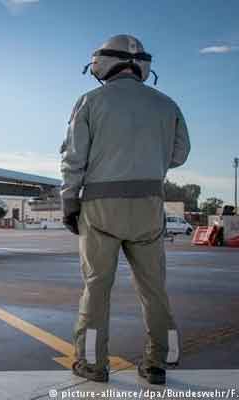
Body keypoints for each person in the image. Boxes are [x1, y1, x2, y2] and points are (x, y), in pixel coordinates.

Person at [60, 34, 190, 385]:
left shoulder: (89, 101)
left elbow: (74, 159)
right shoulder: (168, 105)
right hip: (149, 206)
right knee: (154, 289)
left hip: (101, 208)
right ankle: (160, 362)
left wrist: (70, 200)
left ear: (104, 63)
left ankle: (91, 363)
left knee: (96, 287)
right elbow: (179, 155)